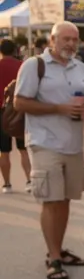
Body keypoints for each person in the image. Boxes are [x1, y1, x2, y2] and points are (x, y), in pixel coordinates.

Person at [13, 22, 84, 279]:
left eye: (75, 39)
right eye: (65, 39)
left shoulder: (81, 67)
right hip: (43, 142)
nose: (71, 44)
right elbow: (20, 101)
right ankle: (54, 258)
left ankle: (59, 248)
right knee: (51, 200)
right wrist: (59, 109)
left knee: (64, 200)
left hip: (72, 145)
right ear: (52, 40)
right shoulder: (34, 65)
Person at [0, 38, 31, 193]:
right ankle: (29, 181)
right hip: (20, 109)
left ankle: (7, 184)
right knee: (23, 149)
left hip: (1, 111)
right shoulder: (22, 66)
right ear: (14, 51)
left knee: (4, 151)